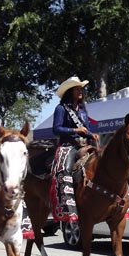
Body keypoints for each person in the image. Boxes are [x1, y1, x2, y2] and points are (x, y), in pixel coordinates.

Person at [50, 75, 99, 223]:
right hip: (68, 145)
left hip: (85, 144)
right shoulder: (61, 108)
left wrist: (92, 135)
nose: (80, 91)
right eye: (77, 89)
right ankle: (66, 206)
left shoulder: (83, 110)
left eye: (80, 88)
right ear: (70, 91)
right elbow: (56, 129)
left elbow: (86, 129)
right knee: (64, 169)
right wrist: (75, 131)